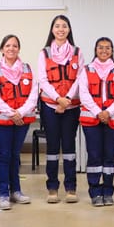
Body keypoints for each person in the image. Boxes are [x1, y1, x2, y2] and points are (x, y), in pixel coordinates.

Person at [0, 34, 38, 210]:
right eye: (7, 45)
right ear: (2, 49)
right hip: (3, 121)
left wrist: (20, 112)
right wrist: (11, 113)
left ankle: (16, 191)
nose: (11, 48)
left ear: (19, 49)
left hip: (22, 120)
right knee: (4, 155)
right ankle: (3, 194)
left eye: (15, 46)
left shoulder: (27, 69)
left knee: (15, 156)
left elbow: (33, 94)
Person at [37, 15, 84, 204]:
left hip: (71, 106)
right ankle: (52, 188)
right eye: (57, 26)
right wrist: (57, 99)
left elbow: (80, 78)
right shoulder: (44, 53)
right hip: (50, 106)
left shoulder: (77, 52)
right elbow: (42, 79)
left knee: (70, 147)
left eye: (64, 26)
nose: (61, 29)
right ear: (52, 30)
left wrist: (66, 100)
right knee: (52, 147)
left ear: (69, 30)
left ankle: (71, 188)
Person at [79, 37, 114, 207]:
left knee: (109, 156)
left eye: (108, 48)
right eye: (101, 47)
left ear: (112, 50)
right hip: (92, 119)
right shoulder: (86, 70)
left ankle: (108, 191)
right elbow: (83, 94)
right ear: (95, 50)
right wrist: (99, 112)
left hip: (113, 119)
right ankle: (95, 192)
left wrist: (109, 112)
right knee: (94, 156)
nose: (104, 51)